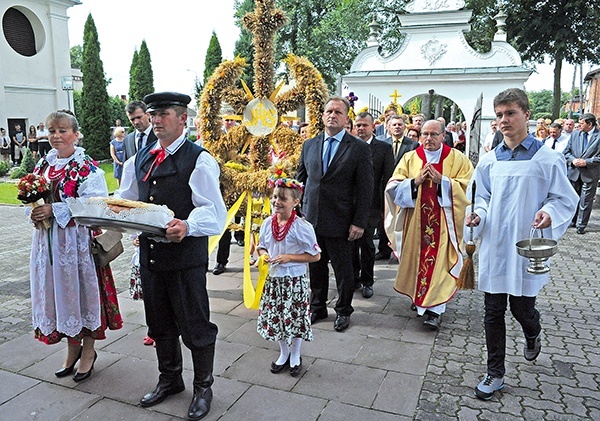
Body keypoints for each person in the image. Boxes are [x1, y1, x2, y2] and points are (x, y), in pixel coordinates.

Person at [116, 92, 226, 420]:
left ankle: (203, 386)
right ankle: (170, 379)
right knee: (159, 323)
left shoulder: (199, 158)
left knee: (195, 326)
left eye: (163, 114)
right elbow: (127, 199)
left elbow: (214, 212)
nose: (156, 120)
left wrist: (188, 225)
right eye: (153, 114)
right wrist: (102, 214)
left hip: (185, 260)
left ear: (182, 119)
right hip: (151, 257)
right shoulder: (142, 158)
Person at [466, 88, 578, 401]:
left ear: (526, 115)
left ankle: (533, 330)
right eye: (499, 115)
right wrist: (477, 214)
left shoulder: (547, 158)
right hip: (495, 245)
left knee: (521, 308)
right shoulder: (489, 161)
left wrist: (549, 212)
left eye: (510, 113)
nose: (504, 120)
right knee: (492, 311)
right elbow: (482, 197)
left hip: (526, 246)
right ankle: (495, 372)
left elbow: (564, 198)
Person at [29, 109, 122, 383]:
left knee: (81, 295)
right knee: (61, 298)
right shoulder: (44, 165)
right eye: (52, 131)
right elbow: (30, 196)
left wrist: (53, 210)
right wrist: (34, 212)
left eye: (62, 131)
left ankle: (89, 351)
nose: (56, 136)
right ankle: (72, 350)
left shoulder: (86, 167)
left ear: (75, 134)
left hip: (77, 244)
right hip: (47, 244)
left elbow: (95, 205)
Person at [384, 119, 473, 330]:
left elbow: (468, 188)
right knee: (417, 261)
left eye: (434, 134)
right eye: (424, 134)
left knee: (440, 265)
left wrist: (443, 181)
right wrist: (413, 183)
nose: (428, 139)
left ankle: (435, 311)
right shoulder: (410, 158)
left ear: (444, 136)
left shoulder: (457, 159)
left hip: (444, 224)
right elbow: (392, 186)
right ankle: (420, 300)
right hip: (416, 223)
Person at [296, 96, 374, 332]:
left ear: (346, 118)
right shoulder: (309, 145)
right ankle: (317, 307)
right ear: (322, 116)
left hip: (342, 221)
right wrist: (296, 212)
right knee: (315, 268)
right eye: (329, 111)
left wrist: (359, 222)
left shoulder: (358, 148)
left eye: (338, 112)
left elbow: (365, 188)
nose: (332, 115)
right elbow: (302, 180)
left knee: (344, 271)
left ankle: (343, 310)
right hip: (312, 220)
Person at [256, 177, 321, 377]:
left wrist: (289, 257)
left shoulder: (301, 227)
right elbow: (261, 247)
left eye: (283, 198)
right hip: (274, 280)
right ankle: (283, 353)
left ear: (295, 202)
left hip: (294, 281)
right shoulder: (268, 223)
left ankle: (295, 354)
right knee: (277, 318)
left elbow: (316, 255)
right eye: (275, 197)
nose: (277, 202)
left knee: (294, 318)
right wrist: (263, 255)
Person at [351, 112, 394, 298]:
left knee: (367, 243)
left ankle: (367, 281)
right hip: (350, 203)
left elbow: (388, 177)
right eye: (358, 125)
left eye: (364, 125)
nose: (361, 128)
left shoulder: (383, 148)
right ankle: (353, 277)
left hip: (372, 204)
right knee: (351, 243)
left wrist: (386, 205)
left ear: (372, 127)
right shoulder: (349, 145)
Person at [376, 115, 418, 261]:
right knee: (384, 217)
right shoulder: (382, 143)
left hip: (403, 187)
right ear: (388, 126)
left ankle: (400, 247)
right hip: (384, 186)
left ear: (405, 127)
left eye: (400, 124)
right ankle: (383, 249)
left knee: (401, 218)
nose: (397, 127)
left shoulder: (412, 145)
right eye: (394, 124)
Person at [563, 113, 600, 235]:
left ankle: (581, 225)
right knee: (573, 198)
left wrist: (586, 162)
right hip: (574, 172)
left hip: (590, 174)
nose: (579, 125)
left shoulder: (598, 137)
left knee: (586, 201)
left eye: (581, 123)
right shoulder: (575, 135)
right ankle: (572, 221)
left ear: (590, 124)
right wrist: (573, 159)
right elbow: (566, 152)